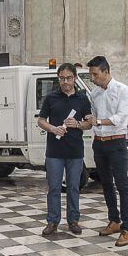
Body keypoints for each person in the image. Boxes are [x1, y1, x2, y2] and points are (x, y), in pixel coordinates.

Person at [37, 62, 92, 236]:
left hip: (75, 151)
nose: (65, 82)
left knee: (73, 187)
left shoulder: (82, 99)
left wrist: (77, 124)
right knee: (54, 187)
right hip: (54, 151)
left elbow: (89, 123)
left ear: (75, 78)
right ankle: (53, 221)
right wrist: (53, 128)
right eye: (61, 78)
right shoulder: (51, 98)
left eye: (68, 78)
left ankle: (73, 220)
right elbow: (41, 120)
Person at [86, 56, 128, 247]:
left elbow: (120, 118)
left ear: (106, 72)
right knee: (105, 184)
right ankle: (114, 221)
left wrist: (97, 121)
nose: (93, 78)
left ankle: (126, 229)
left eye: (95, 74)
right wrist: (86, 121)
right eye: (91, 75)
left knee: (122, 185)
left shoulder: (122, 90)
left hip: (117, 143)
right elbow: (92, 118)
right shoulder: (94, 93)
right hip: (99, 143)